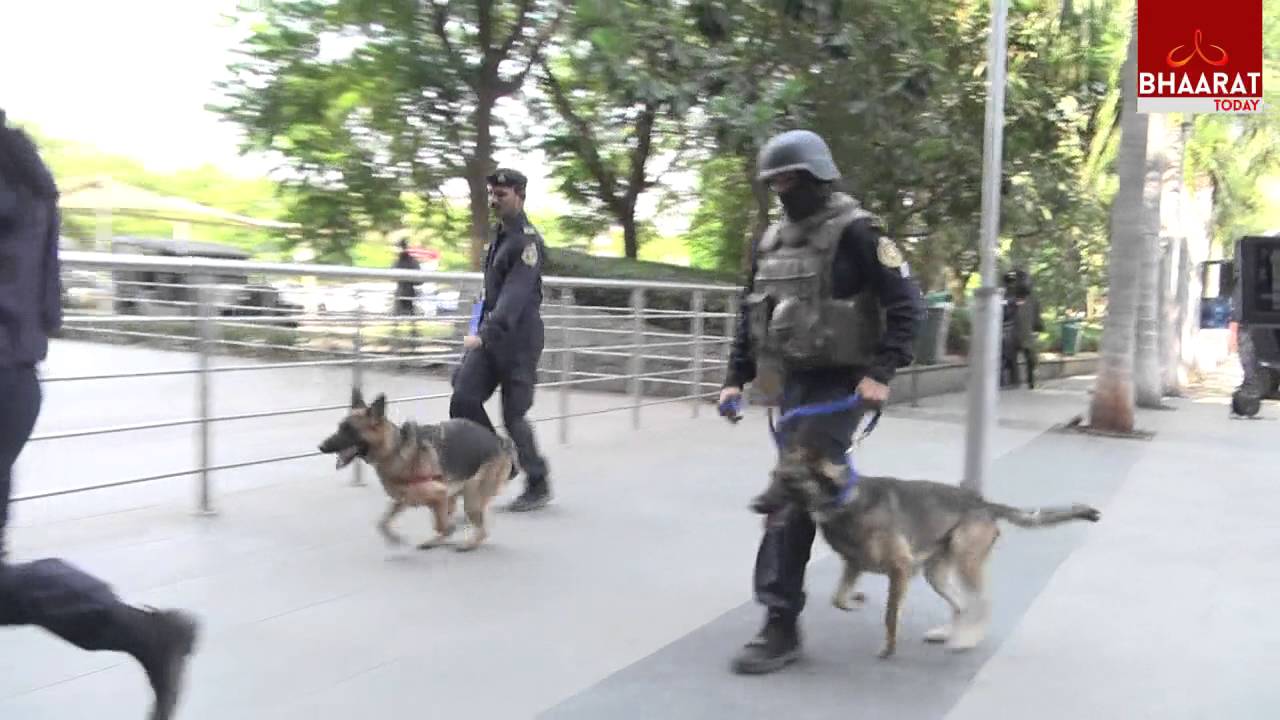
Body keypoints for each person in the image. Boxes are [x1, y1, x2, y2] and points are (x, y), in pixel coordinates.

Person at [0, 111, 199, 719]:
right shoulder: (26, 174)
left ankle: (143, 631)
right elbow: (49, 304)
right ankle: (143, 633)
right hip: (15, 376)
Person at [718, 129, 923, 675]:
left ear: (816, 174)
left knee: (790, 490)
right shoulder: (770, 240)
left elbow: (906, 304)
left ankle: (779, 625)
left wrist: (881, 372)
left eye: (790, 178)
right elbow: (750, 313)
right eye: (775, 181)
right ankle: (875, 542)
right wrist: (734, 378)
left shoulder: (858, 231)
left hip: (843, 384)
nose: (782, 188)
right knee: (818, 488)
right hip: (794, 384)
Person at [448, 168, 552, 512]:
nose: (494, 200)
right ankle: (499, 457)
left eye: (501, 195)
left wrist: (484, 334)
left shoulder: (526, 242)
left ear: (520, 195)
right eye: (491, 193)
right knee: (463, 396)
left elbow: (514, 298)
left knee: (514, 415)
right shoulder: (499, 237)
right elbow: (487, 293)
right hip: (489, 337)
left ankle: (538, 482)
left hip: (518, 341)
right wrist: (476, 329)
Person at [1000, 268, 1043, 389]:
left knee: (1028, 358)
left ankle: (1028, 381)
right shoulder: (1009, 297)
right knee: (1014, 357)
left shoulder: (1030, 299)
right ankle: (1017, 381)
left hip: (1022, 332)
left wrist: (1037, 328)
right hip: (1014, 332)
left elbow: (1036, 315)